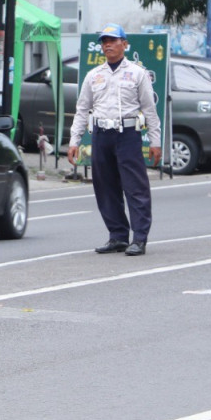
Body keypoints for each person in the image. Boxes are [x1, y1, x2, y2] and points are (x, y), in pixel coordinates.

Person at [66, 24, 162, 256]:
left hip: (127, 134)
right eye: (104, 41)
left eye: (113, 40)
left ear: (124, 44)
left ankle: (139, 238)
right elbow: (82, 110)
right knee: (105, 186)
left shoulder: (137, 73)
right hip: (100, 135)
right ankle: (118, 235)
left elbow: (150, 109)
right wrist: (74, 141)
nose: (107, 45)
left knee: (134, 187)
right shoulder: (94, 75)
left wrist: (156, 142)